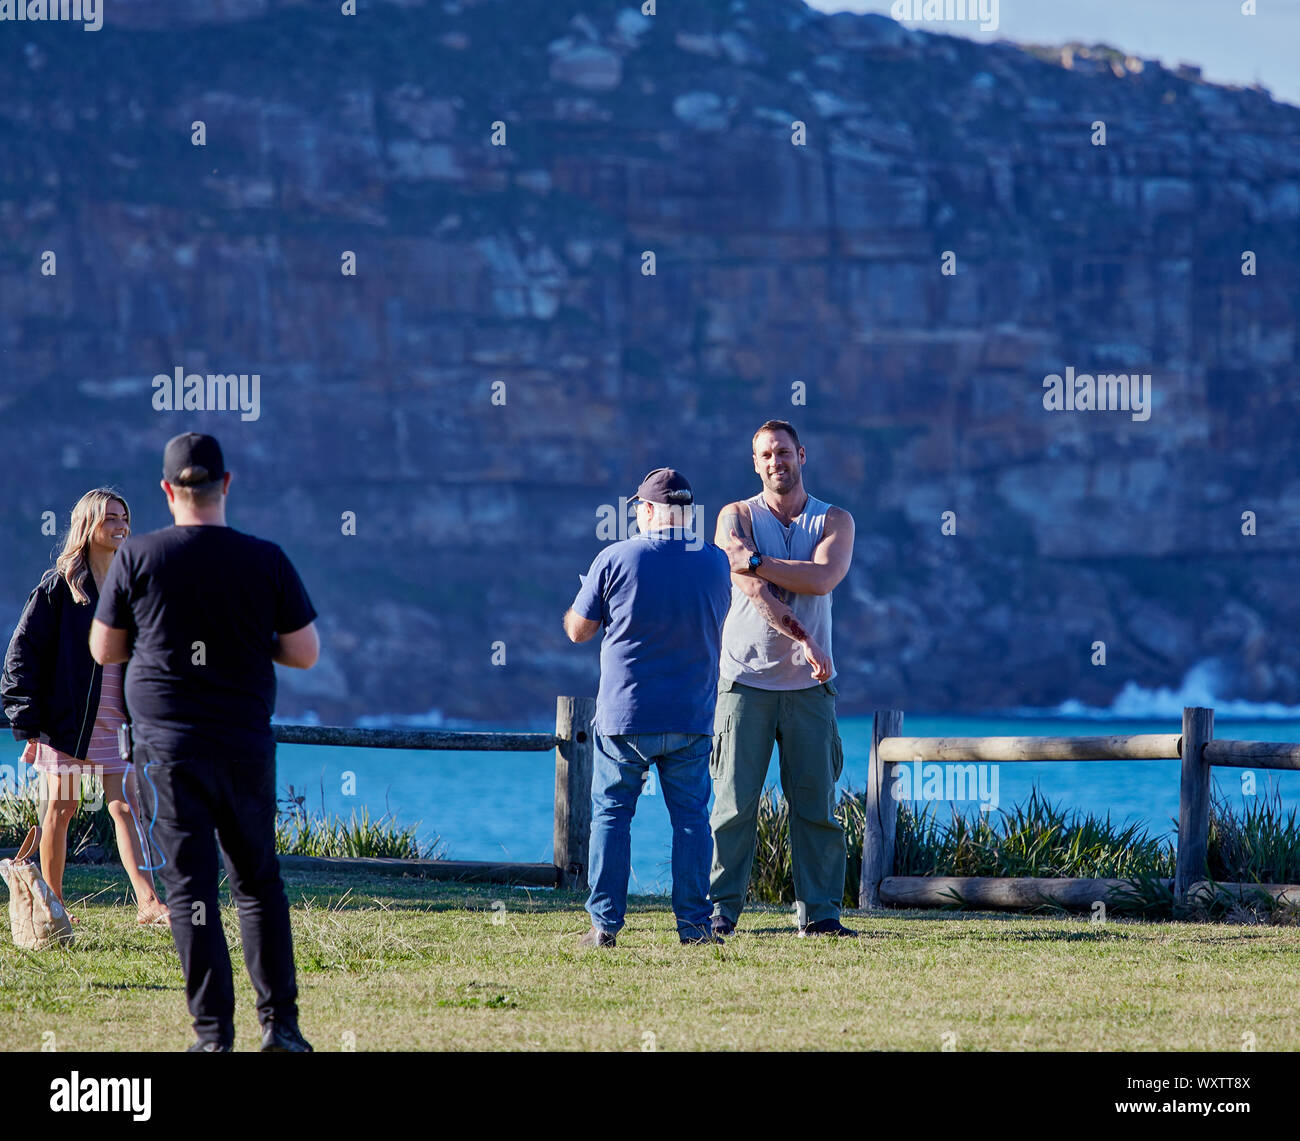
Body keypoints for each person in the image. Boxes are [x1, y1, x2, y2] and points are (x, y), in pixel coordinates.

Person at [89, 433, 321, 1052]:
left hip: (169, 751)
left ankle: (214, 1037)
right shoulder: (265, 558)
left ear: (167, 491)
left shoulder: (138, 559)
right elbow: (303, 652)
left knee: (190, 891)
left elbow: (103, 648)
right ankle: (282, 1029)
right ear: (227, 484)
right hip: (245, 744)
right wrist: (249, 643)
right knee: (257, 883)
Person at [564, 468, 732, 947]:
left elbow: (578, 630)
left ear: (651, 510)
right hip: (692, 716)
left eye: (638, 507)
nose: (636, 514)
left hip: (626, 716)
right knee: (692, 822)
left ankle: (604, 927)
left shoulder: (614, 557)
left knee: (613, 817)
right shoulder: (716, 563)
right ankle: (696, 928)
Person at [709, 420, 857, 938]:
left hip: (809, 689)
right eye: (766, 454)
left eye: (784, 452)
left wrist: (755, 560)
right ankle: (721, 913)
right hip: (744, 683)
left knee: (816, 807)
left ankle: (820, 915)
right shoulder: (734, 515)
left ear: (802, 454)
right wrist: (804, 637)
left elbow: (821, 579)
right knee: (732, 806)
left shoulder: (835, 519)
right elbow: (749, 587)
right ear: (755, 463)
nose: (776, 461)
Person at [2, 488, 169, 926]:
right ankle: (54, 906)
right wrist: (28, 719)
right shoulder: (59, 588)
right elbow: (22, 654)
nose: (121, 525)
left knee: (125, 806)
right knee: (61, 809)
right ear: (88, 525)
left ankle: (149, 904)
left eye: (124, 517)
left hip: (118, 718)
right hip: (69, 721)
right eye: (111, 518)